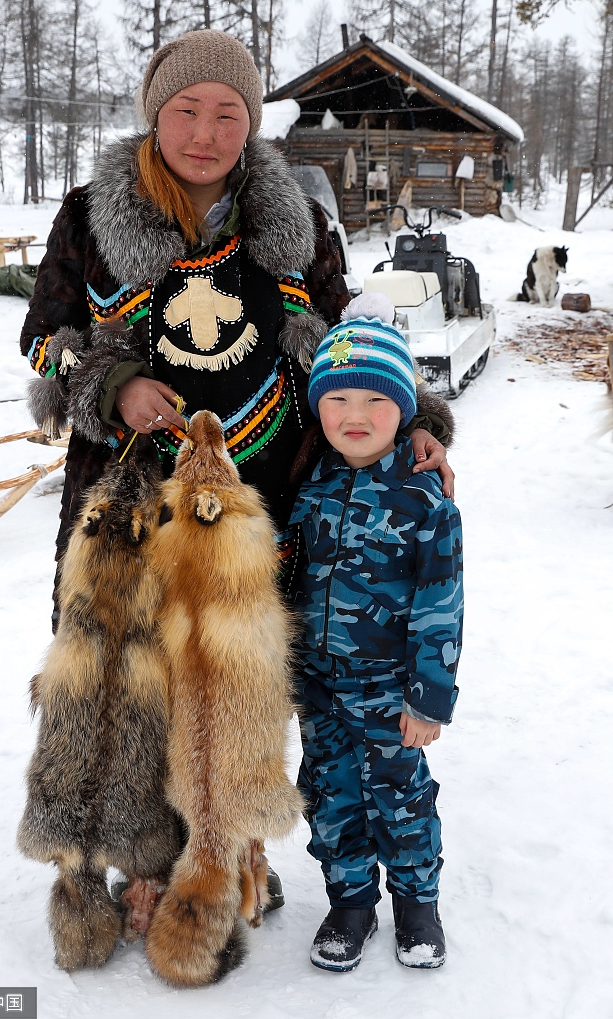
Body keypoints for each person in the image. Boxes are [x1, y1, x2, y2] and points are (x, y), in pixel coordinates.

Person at [19, 30, 456, 913]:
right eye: (187, 109)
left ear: (250, 123)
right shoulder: (87, 214)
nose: (206, 131)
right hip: (131, 499)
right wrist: (112, 385)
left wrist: (418, 420)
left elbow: (352, 342)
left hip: (268, 504)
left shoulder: (293, 218)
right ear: (156, 113)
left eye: (228, 113)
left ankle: (231, 859)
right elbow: (42, 345)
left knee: (240, 682)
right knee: (135, 680)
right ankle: (145, 863)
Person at [289, 294, 463, 972]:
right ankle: (350, 901)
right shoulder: (308, 486)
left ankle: (417, 902)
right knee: (328, 794)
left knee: (400, 794)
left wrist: (427, 699)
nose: (354, 417)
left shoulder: (424, 499)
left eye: (375, 401)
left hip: (391, 689)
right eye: (337, 401)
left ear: (405, 410)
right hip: (318, 684)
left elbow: (439, 605)